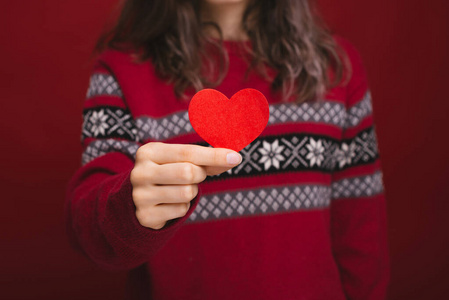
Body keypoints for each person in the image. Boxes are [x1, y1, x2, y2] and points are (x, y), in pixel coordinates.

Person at [66, 0, 389, 299]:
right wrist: (132, 206)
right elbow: (89, 232)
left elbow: (362, 242)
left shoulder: (337, 68)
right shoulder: (119, 72)